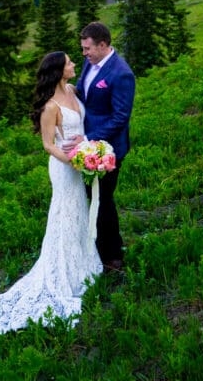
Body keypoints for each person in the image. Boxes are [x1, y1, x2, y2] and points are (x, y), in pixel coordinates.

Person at [0, 51, 102, 333]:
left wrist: (87, 150)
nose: (73, 65)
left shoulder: (71, 89)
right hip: (63, 165)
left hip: (78, 159)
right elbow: (48, 144)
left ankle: (81, 263)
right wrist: (71, 159)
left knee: (78, 211)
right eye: (69, 62)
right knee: (64, 214)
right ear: (58, 70)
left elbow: (81, 124)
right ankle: (60, 271)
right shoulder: (50, 106)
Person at [76, 21, 135, 271]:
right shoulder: (88, 64)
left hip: (107, 149)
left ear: (103, 45)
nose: (84, 53)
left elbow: (121, 117)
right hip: (86, 144)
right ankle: (99, 247)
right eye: (82, 48)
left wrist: (91, 138)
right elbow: (82, 92)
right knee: (94, 198)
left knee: (103, 200)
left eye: (88, 48)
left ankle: (112, 256)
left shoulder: (121, 73)